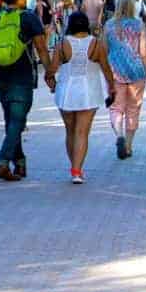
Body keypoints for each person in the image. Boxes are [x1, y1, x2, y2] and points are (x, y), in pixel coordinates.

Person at [0, 0, 52, 181]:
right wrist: (49, 73)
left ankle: (20, 163)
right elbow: (41, 48)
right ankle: (2, 162)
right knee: (17, 122)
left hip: (1, 77)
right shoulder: (29, 18)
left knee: (12, 121)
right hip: (22, 78)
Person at [50, 12, 112, 183]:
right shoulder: (96, 44)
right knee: (82, 132)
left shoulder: (61, 44)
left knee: (70, 131)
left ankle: (74, 167)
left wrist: (51, 84)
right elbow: (106, 69)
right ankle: (77, 170)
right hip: (89, 93)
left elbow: (51, 70)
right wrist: (112, 88)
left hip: (66, 92)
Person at [105, 0, 146, 160]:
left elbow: (104, 51)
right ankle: (128, 145)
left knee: (116, 108)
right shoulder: (139, 25)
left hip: (115, 72)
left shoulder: (109, 25)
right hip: (136, 72)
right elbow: (143, 53)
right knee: (133, 108)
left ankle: (119, 135)